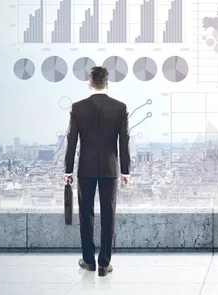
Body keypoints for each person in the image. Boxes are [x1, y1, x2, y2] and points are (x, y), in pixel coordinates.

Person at [64, 66, 131, 277]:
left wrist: (67, 170)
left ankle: (88, 260)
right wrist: (125, 172)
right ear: (107, 84)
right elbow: (124, 140)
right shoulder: (120, 107)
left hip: (85, 168)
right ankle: (104, 263)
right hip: (111, 168)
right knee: (108, 214)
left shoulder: (78, 108)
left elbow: (71, 140)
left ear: (89, 84)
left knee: (86, 214)